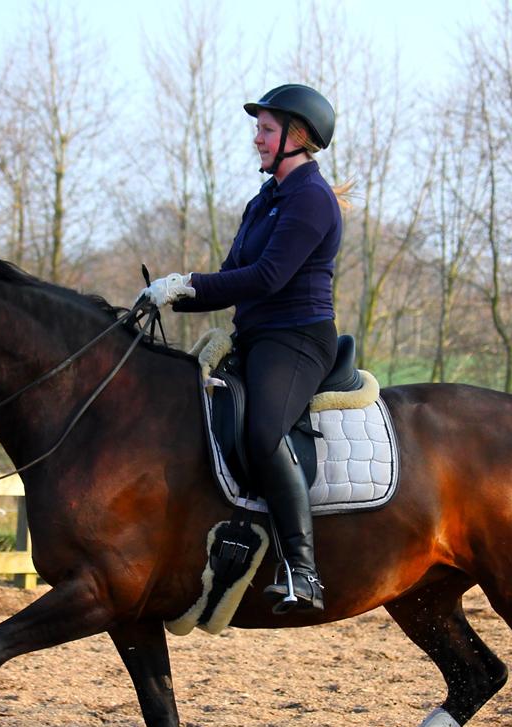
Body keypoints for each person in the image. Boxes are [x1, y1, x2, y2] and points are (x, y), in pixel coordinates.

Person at [140, 83, 342, 614]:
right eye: (259, 129)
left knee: (262, 430)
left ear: (298, 138)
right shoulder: (265, 201)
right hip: (254, 336)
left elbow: (270, 277)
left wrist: (190, 283)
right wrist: (172, 296)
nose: (257, 139)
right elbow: (233, 275)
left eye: (266, 130)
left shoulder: (311, 198)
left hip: (296, 338)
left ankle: (303, 572)